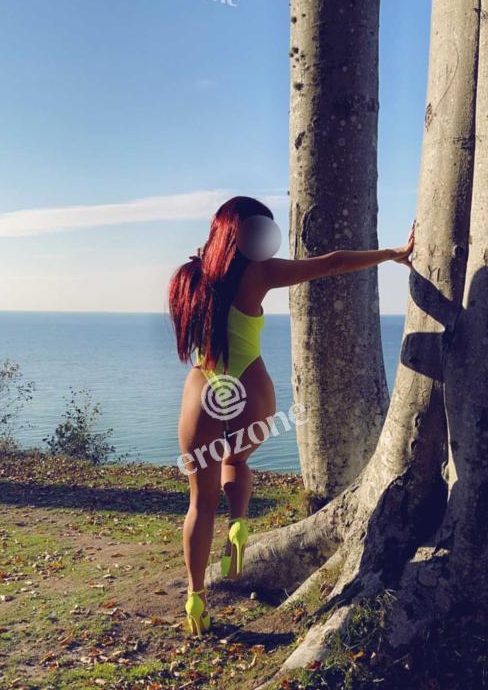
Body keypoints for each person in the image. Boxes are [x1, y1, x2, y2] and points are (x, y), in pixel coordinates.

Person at [168, 196, 414, 636]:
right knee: (237, 460)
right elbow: (333, 263)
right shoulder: (259, 272)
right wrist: (394, 252)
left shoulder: (189, 277)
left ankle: (195, 599)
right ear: (245, 233)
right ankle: (238, 525)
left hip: (201, 391)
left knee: (199, 502)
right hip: (252, 389)